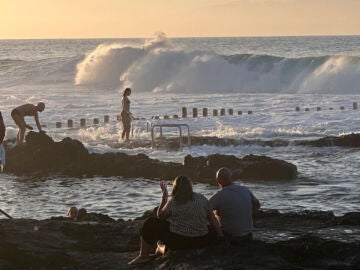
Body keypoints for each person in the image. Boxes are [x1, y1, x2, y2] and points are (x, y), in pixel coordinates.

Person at [128, 175, 223, 265]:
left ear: (176, 187)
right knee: (209, 227)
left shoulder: (174, 201)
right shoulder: (201, 198)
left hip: (179, 241)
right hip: (201, 241)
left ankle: (144, 255)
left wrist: (164, 197)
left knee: (151, 223)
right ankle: (162, 247)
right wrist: (220, 236)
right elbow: (213, 219)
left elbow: (160, 217)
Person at [209, 167, 260, 244]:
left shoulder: (219, 195)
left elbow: (203, 210)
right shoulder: (244, 189)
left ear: (218, 180)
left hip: (229, 236)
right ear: (230, 178)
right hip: (248, 236)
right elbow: (257, 204)